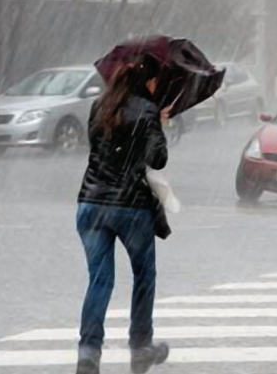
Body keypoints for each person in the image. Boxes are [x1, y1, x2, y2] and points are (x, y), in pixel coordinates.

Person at [75, 53, 171, 374]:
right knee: (144, 275)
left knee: (99, 280)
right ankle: (141, 345)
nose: (159, 86)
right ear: (148, 80)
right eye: (157, 81)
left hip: (90, 203)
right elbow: (157, 160)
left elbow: (97, 146)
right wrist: (157, 123)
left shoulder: (99, 106)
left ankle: (88, 353)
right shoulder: (147, 110)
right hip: (129, 207)